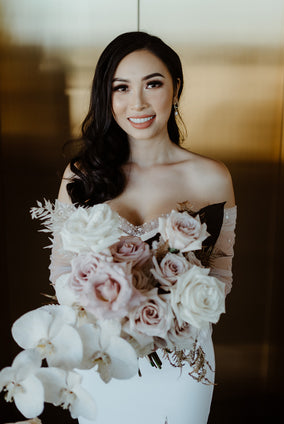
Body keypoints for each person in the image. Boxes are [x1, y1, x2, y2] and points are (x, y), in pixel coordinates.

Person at [54, 31, 236, 424]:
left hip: (181, 361)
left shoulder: (211, 178)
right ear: (107, 96)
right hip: (103, 356)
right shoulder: (82, 176)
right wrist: (113, 313)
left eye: (153, 84)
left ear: (176, 88)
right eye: (122, 87)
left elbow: (220, 276)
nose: (137, 102)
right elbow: (62, 271)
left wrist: (165, 317)